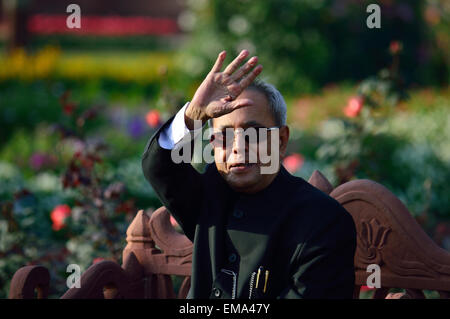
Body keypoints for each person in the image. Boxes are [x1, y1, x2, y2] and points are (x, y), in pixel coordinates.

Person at [141, 50, 357, 299]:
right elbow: (159, 167)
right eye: (224, 135)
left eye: (253, 132)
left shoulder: (322, 221)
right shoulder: (210, 194)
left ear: (282, 140)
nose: (238, 146)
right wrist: (193, 117)